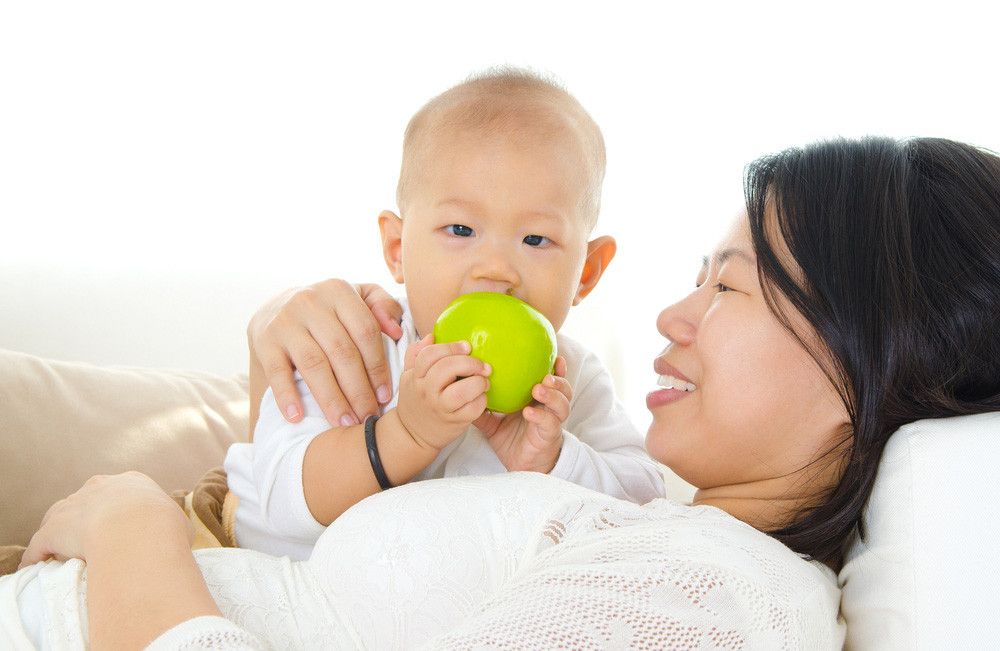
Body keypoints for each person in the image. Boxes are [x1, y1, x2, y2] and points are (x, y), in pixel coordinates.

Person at [5, 136, 999, 649]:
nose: (671, 319)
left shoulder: (711, 598)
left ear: (866, 364)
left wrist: (133, 520)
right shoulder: (666, 526)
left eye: (729, 285)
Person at [214, 68, 667, 559]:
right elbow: (283, 499)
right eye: (459, 229)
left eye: (535, 239)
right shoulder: (361, 342)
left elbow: (647, 499)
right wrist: (406, 433)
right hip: (262, 561)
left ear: (586, 272)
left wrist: (553, 460)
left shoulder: (570, 379)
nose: (496, 270)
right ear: (397, 249)